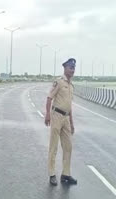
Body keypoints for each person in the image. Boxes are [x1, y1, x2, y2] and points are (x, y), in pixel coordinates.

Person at [45, 58, 77, 186]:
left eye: (74, 68)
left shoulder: (71, 86)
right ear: (65, 68)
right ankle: (52, 174)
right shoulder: (59, 82)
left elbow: (69, 106)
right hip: (56, 115)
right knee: (54, 146)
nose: (72, 70)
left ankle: (66, 174)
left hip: (66, 118)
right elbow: (49, 98)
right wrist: (47, 114)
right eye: (70, 68)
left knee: (68, 146)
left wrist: (72, 122)